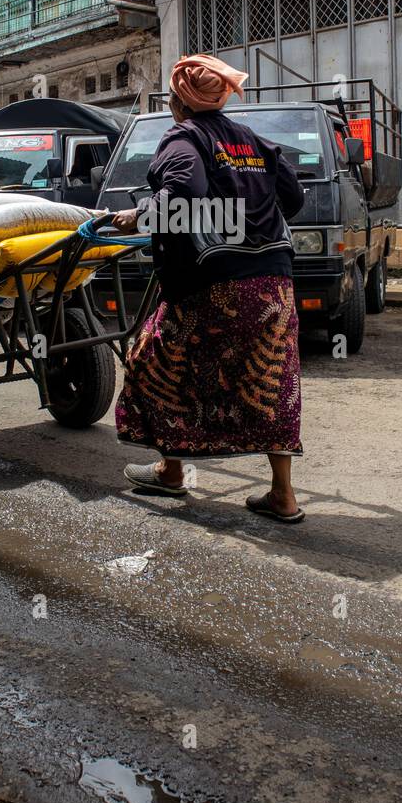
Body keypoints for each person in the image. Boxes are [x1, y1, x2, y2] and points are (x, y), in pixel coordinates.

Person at [114, 53, 306, 523]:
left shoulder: (184, 137)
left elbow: (183, 191)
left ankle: (170, 471)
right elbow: (294, 198)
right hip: (274, 286)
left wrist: (138, 215)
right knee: (272, 380)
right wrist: (250, 218)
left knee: (156, 361)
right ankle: (283, 495)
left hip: (214, 284)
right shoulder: (252, 140)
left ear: (179, 102)